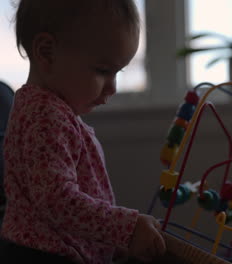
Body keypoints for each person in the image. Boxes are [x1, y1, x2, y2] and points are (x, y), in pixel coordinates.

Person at [0, 0, 166, 263]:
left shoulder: (50, 112)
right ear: (47, 53)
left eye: (117, 72)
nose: (112, 88)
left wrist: (112, 242)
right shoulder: (44, 116)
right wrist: (125, 228)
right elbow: (58, 201)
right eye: (103, 70)